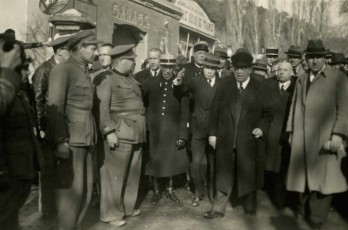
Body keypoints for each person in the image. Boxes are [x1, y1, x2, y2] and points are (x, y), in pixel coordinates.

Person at [286, 39, 348, 230]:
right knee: (303, 180)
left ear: (325, 58)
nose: (315, 61)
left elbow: (345, 110)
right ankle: (305, 217)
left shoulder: (337, 77)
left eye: (319, 57)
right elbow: (294, 106)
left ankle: (316, 221)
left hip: (325, 139)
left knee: (323, 182)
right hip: (302, 138)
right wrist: (290, 131)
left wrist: (338, 135)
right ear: (307, 58)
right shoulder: (303, 78)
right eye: (311, 57)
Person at [204, 49, 272, 218]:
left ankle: (249, 209)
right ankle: (218, 209)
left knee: (248, 173)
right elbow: (214, 111)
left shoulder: (260, 87)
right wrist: (212, 134)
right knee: (223, 173)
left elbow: (268, 113)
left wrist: (261, 127)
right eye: (236, 68)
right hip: (226, 138)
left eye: (243, 68)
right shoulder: (224, 85)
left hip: (248, 140)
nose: (239, 71)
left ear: (250, 69)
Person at [46, 30, 99, 230]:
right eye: (93, 48)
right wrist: (61, 140)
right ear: (80, 47)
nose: (95, 53)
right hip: (71, 139)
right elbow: (55, 108)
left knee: (84, 191)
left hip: (86, 137)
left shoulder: (84, 71)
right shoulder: (64, 70)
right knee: (70, 193)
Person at [94, 44, 146, 227]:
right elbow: (102, 108)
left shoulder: (131, 79)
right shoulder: (106, 78)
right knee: (114, 177)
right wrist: (108, 131)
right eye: (131, 60)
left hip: (137, 132)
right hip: (119, 132)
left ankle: (127, 208)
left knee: (132, 173)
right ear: (121, 60)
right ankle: (110, 214)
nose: (134, 63)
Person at [31, 32, 73, 219]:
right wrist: (41, 128)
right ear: (59, 51)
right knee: (48, 172)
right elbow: (37, 101)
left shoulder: (66, 69)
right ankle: (47, 212)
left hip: (63, 126)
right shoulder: (43, 70)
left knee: (61, 171)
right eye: (68, 50)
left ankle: (59, 209)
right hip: (47, 128)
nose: (71, 54)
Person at [173, 52, 222, 207]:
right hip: (198, 128)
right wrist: (178, 81)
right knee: (196, 163)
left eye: (212, 68)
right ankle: (198, 191)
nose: (209, 70)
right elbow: (182, 89)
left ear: (216, 70)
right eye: (206, 67)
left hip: (216, 130)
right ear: (203, 67)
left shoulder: (224, 84)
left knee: (214, 164)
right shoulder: (195, 81)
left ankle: (214, 193)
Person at [142, 53, 189, 205]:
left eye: (170, 67)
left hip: (172, 129)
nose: (168, 71)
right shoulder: (150, 82)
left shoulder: (181, 84)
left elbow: (185, 111)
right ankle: (156, 190)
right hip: (154, 129)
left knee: (170, 160)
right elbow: (142, 103)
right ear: (160, 66)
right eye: (165, 67)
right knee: (155, 160)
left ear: (175, 67)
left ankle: (169, 189)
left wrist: (182, 134)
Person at [263, 62, 297, 209]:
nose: (281, 72)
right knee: (268, 162)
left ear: (292, 73)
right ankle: (267, 191)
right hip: (270, 131)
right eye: (279, 70)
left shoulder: (296, 89)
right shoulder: (269, 86)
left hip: (285, 132)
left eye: (285, 70)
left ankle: (281, 198)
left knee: (283, 165)